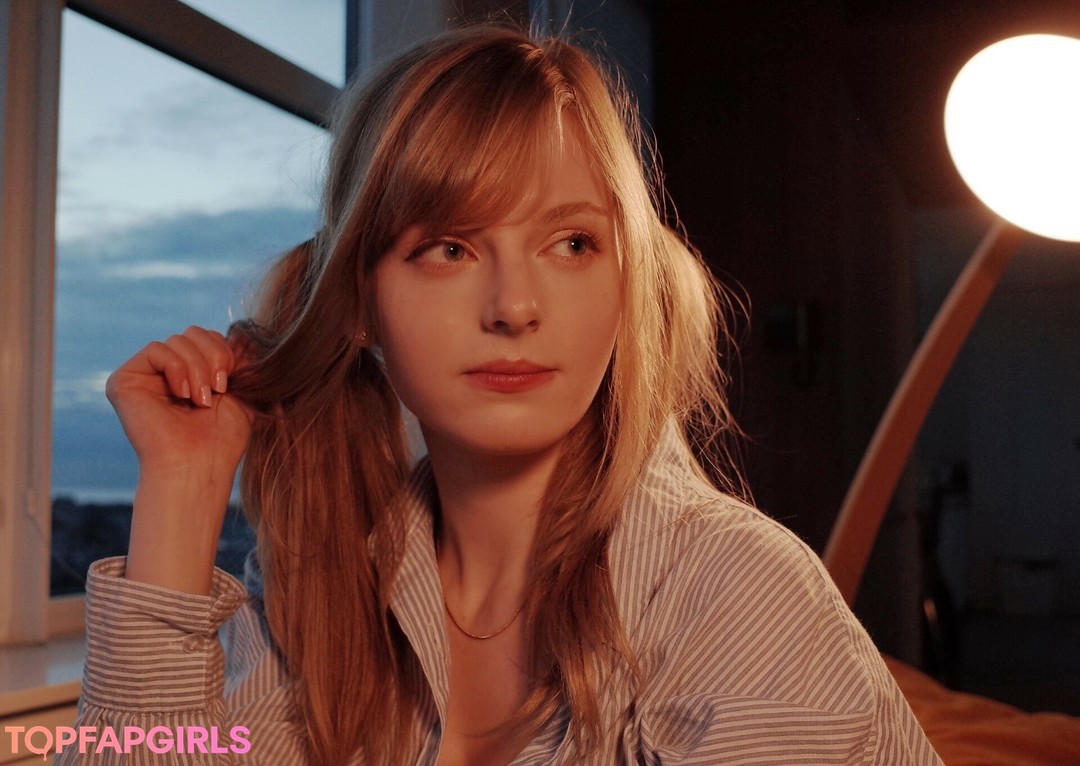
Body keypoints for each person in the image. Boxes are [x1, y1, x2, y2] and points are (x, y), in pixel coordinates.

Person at [60, 24, 942, 766]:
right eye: (448, 248)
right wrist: (182, 487)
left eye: (571, 244)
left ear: (626, 285)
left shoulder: (735, 590)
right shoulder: (323, 599)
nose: (515, 307)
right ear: (360, 305)